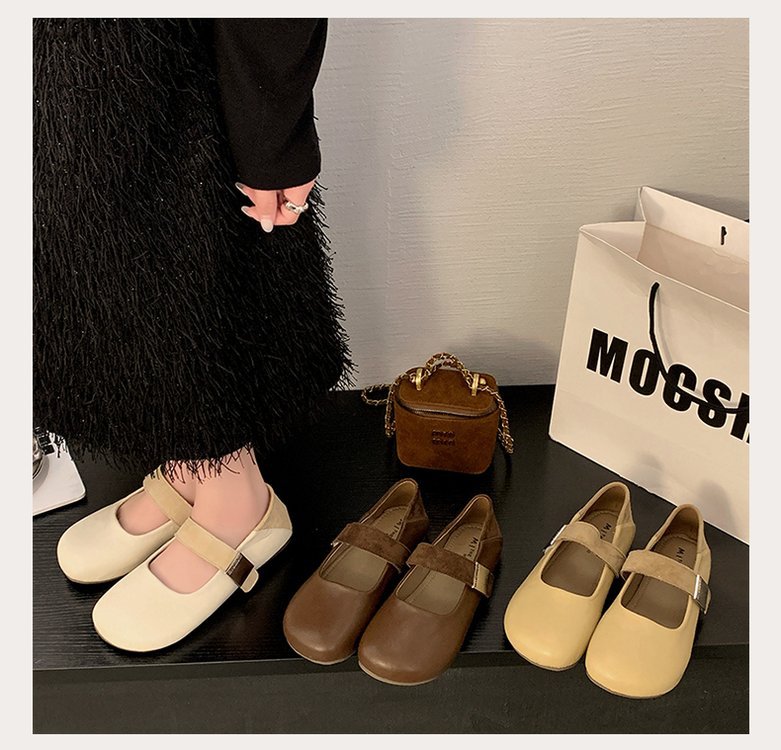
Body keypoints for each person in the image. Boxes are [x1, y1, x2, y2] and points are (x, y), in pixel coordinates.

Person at [33, 18, 352, 649]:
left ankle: (237, 500)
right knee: (94, 254)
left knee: (177, 252)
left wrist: (273, 139)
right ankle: (188, 466)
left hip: (172, 60)